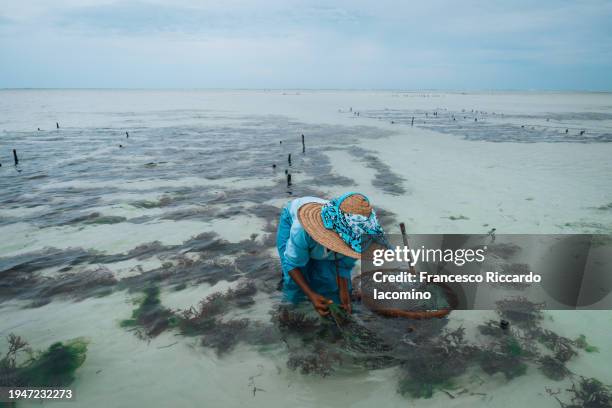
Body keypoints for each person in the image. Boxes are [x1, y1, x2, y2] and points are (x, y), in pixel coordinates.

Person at [276, 192, 384, 316]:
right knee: (295, 286)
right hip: (293, 222)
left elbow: (343, 264)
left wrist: (343, 292)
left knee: (331, 284)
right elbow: (292, 264)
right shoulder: (301, 230)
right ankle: (293, 313)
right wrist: (311, 295)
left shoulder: (356, 236)